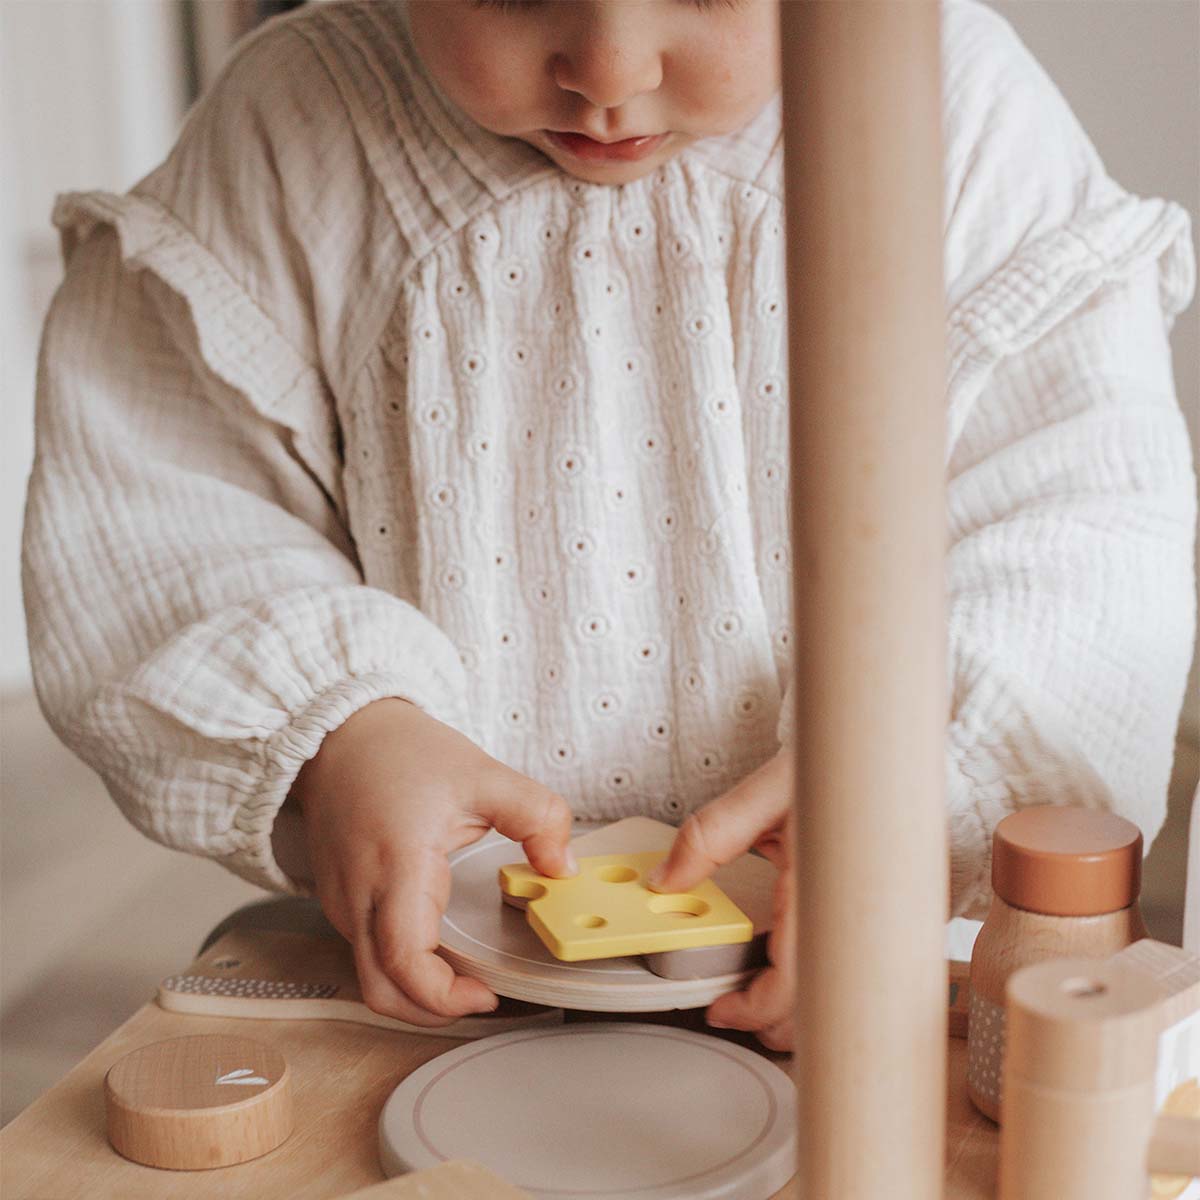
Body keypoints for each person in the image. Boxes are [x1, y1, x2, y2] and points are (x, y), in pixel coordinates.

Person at [23, 0, 1195, 1050]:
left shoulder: (951, 104)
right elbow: (165, 502)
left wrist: (914, 787)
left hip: (868, 973)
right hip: (444, 974)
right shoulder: (298, 128)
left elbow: (1081, 525)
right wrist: (345, 736)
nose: (609, 66)